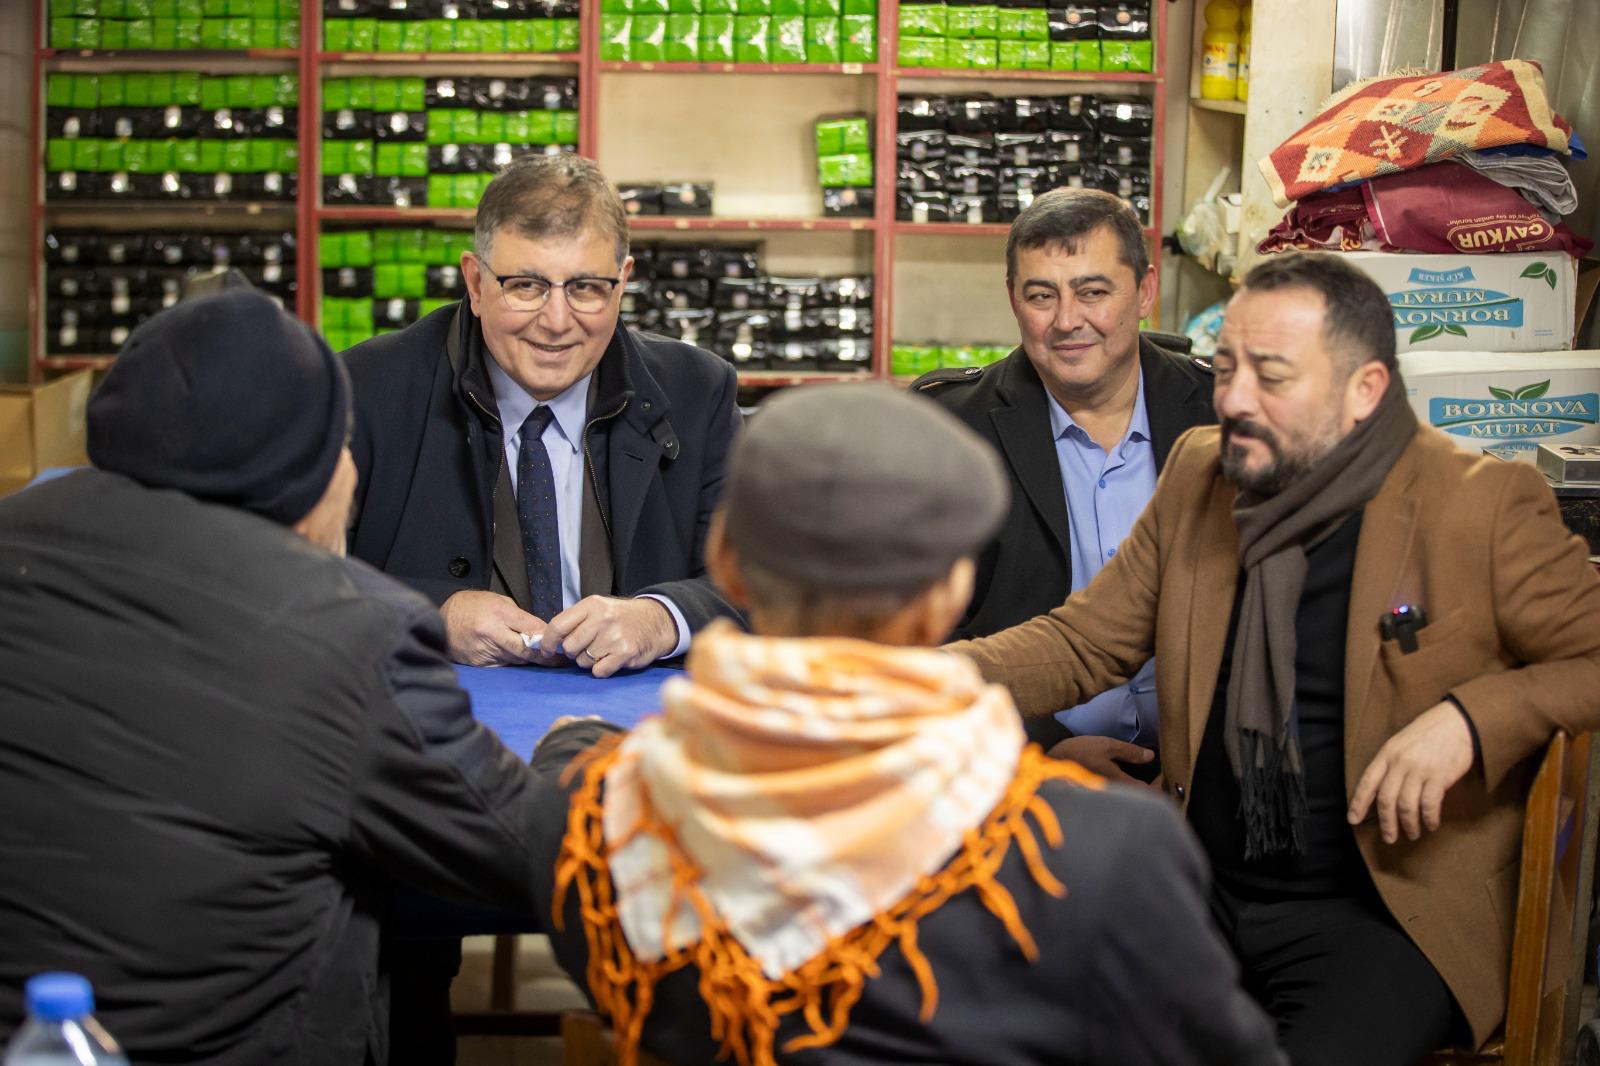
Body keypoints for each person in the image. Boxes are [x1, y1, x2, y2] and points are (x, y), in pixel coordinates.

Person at [949, 252, 1600, 1066]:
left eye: (1272, 376)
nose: (1234, 400)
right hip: (1203, 887)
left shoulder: (1479, 500)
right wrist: (921, 678)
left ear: (1364, 391)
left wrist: (1473, 720)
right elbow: (1086, 642)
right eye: (1225, 369)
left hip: (1384, 915)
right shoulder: (1200, 472)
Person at [530, 384, 1287, 1066]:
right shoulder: (1100, 853)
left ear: (725, 562)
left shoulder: (592, 811)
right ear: (952, 592)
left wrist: (575, 745)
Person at [0, 289, 574, 1065]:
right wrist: (576, 757)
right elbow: (529, 849)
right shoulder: (346, 632)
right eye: (340, 448)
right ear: (305, 470)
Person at [345, 153, 740, 677]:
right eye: (525, 285)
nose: (556, 322)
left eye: (585, 288)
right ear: (475, 282)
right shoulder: (363, 391)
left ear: (622, 282)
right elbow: (281, 576)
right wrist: (430, 613)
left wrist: (660, 619)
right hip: (429, 728)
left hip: (637, 734)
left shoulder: (699, 392)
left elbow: (768, 585)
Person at [913, 188, 1214, 771]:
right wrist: (1039, 749)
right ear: (1012, 300)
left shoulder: (1225, 410)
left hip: (1206, 769)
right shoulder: (948, 429)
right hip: (1017, 769)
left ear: (1146, 291)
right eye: (1041, 296)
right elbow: (912, 630)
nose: (1068, 321)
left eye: (1094, 292)